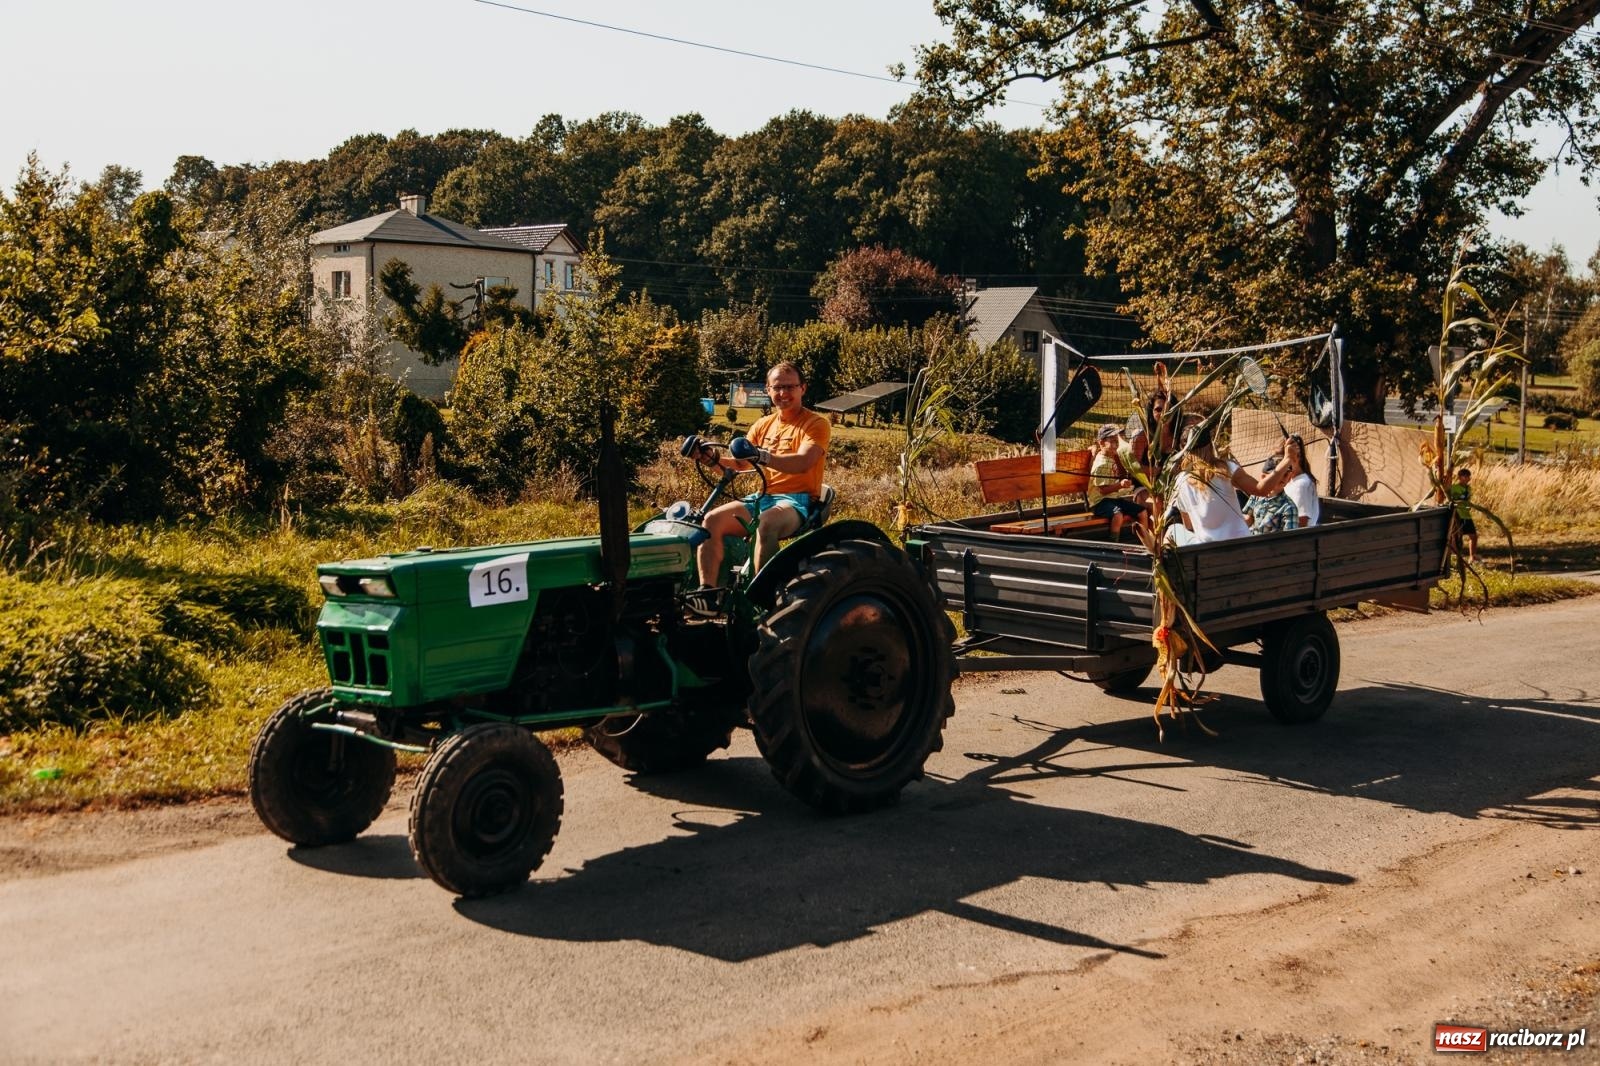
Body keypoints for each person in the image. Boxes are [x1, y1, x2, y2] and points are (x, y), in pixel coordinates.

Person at [693, 361, 830, 598]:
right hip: (763, 497)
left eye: (790, 387)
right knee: (711, 521)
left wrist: (762, 456)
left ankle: (761, 599)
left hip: (797, 500)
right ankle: (707, 595)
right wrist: (710, 459)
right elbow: (739, 465)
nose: (783, 393)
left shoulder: (816, 424)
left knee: (765, 523)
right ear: (768, 390)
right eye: (777, 387)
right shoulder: (762, 425)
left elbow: (803, 462)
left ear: (803, 388)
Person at [1172, 414, 1298, 544]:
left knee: (1173, 529)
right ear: (1210, 445)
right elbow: (1262, 489)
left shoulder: (1180, 482)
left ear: (1184, 451)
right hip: (1242, 544)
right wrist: (1287, 459)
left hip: (1208, 551)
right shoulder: (1227, 468)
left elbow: (1188, 525)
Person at [1089, 424, 1148, 542]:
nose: (1116, 445)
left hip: (1114, 499)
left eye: (1117, 441)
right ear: (1102, 443)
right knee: (1118, 515)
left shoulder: (1109, 456)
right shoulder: (1101, 464)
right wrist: (1120, 485)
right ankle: (1113, 543)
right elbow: (1103, 491)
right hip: (1099, 503)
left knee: (1142, 512)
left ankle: (1144, 542)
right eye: (1112, 442)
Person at [1449, 466, 1477, 563]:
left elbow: (1467, 500)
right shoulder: (1454, 488)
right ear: (1459, 477)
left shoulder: (1469, 488)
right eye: (1465, 476)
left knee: (1473, 536)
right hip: (1457, 514)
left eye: (1468, 476)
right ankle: (1455, 557)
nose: (1467, 478)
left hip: (1466, 515)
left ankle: (1472, 557)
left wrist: (1469, 505)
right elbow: (1451, 500)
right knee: (1455, 536)